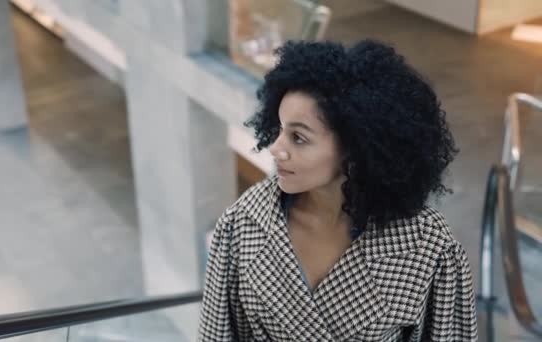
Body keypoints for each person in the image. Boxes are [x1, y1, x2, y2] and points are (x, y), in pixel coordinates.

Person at [198, 40, 477, 341]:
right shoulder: (243, 222)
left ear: (355, 148)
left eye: (299, 138)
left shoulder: (430, 246)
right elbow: (216, 335)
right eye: (279, 129)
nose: (276, 148)